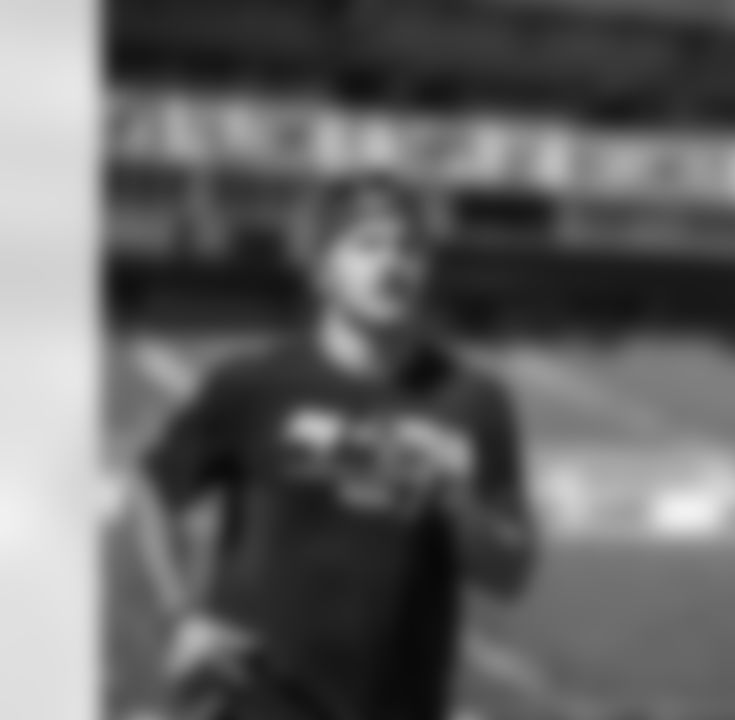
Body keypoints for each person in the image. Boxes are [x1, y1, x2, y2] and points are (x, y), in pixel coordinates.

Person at [135, 174, 538, 720]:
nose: (392, 264)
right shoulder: (255, 384)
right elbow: (153, 489)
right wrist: (181, 618)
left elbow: (511, 574)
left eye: (410, 248)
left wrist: (456, 499)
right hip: (258, 705)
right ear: (321, 269)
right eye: (367, 245)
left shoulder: (474, 401)